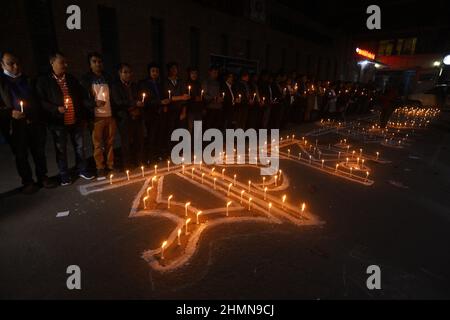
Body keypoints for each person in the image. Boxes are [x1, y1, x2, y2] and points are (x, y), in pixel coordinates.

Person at [0, 51, 56, 194]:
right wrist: (10, 112)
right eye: (10, 64)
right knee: (21, 154)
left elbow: (38, 98)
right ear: (2, 65)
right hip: (16, 126)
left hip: (35, 122)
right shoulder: (2, 83)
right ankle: (28, 181)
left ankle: (42, 176)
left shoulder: (28, 79)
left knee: (39, 152)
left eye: (17, 63)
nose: (16, 66)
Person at [35, 51, 94, 186]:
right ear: (52, 63)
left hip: (75, 119)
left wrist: (91, 107)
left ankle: (82, 169)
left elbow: (80, 97)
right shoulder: (44, 81)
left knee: (79, 147)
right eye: (62, 62)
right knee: (61, 150)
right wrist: (56, 109)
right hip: (58, 122)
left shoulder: (71, 79)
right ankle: (64, 175)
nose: (65, 65)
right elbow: (41, 101)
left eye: (66, 62)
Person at [81, 52, 116, 180]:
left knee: (110, 142)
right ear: (90, 64)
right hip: (96, 117)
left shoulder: (108, 77)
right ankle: (100, 167)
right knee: (97, 144)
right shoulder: (86, 79)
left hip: (110, 115)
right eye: (94, 61)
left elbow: (114, 95)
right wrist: (93, 103)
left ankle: (110, 165)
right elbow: (83, 99)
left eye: (99, 61)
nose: (97, 64)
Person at [111, 63, 145, 169]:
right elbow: (118, 102)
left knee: (139, 140)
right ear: (120, 73)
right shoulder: (116, 86)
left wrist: (139, 104)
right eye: (125, 72)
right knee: (126, 142)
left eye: (129, 72)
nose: (128, 74)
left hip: (137, 116)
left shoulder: (135, 85)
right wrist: (134, 104)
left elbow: (140, 97)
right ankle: (127, 164)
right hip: (124, 118)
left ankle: (139, 161)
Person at [139, 63, 170, 163]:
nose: (155, 73)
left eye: (157, 71)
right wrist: (160, 102)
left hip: (160, 113)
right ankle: (150, 158)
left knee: (160, 135)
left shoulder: (160, 84)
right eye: (153, 71)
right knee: (151, 136)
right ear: (149, 72)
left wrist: (165, 104)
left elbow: (163, 96)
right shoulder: (144, 84)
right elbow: (146, 100)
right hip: (150, 113)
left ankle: (159, 155)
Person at [202, 66, 224, 131]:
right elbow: (204, 95)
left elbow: (219, 93)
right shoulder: (206, 82)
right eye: (214, 72)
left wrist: (220, 98)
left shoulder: (217, 83)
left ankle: (214, 139)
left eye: (217, 73)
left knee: (216, 126)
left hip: (218, 107)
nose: (216, 74)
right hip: (210, 107)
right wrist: (214, 98)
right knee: (209, 125)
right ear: (210, 72)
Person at [186, 67, 204, 135]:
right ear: (189, 74)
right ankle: (188, 142)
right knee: (190, 127)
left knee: (198, 127)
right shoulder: (186, 83)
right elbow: (186, 96)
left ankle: (196, 143)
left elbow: (201, 96)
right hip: (190, 109)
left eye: (195, 73)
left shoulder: (199, 84)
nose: (194, 75)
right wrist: (194, 98)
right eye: (192, 73)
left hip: (198, 109)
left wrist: (203, 107)